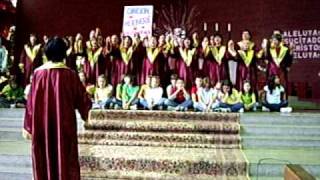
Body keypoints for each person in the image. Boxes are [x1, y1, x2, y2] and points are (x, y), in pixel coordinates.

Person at [23, 37, 92, 180]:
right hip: (64, 124)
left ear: (46, 53)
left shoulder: (38, 74)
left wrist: (28, 125)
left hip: (42, 123)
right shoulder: (70, 75)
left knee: (44, 155)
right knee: (65, 156)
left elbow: (30, 103)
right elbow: (82, 99)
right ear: (64, 53)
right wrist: (86, 115)